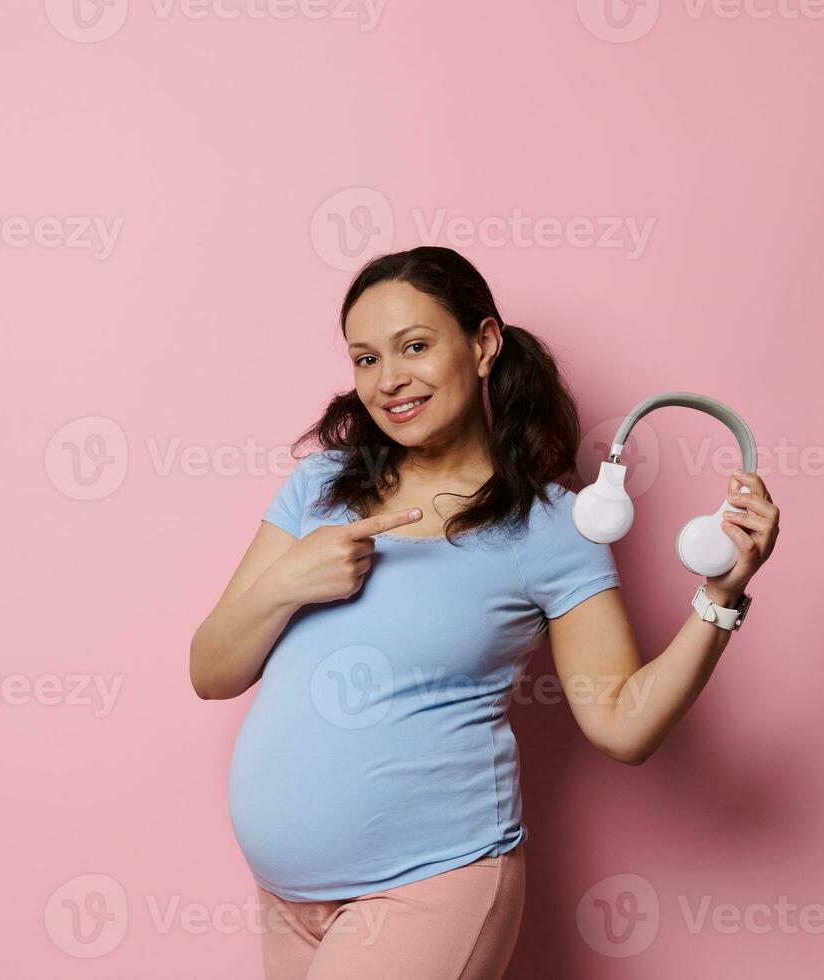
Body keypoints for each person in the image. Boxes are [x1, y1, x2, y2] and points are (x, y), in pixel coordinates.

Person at [190, 246, 780, 979]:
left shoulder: (551, 529)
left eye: (414, 346)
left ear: (482, 344)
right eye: (365, 358)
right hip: (286, 900)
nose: (389, 380)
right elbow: (211, 670)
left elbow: (621, 724)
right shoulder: (318, 487)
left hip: (430, 884)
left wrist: (720, 597)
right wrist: (289, 580)